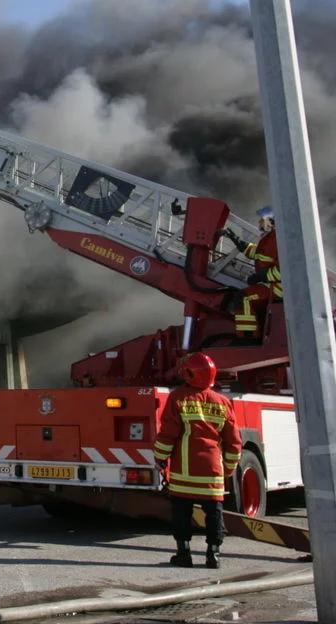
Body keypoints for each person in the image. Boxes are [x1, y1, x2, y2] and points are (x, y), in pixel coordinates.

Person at [153, 352, 242, 569]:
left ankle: (184, 554)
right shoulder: (223, 402)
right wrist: (228, 469)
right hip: (212, 472)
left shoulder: (179, 398)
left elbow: (168, 434)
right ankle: (214, 556)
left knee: (181, 514)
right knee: (214, 515)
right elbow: (233, 442)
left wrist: (160, 458)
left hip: (184, 470)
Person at [223, 205, 280, 340]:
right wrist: (239, 243)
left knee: (244, 298)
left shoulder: (277, 240)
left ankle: (248, 337)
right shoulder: (270, 238)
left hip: (278, 288)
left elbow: (284, 270)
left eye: (261, 220)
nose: (259, 223)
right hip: (271, 284)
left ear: (270, 222)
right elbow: (259, 254)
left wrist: (261, 276)